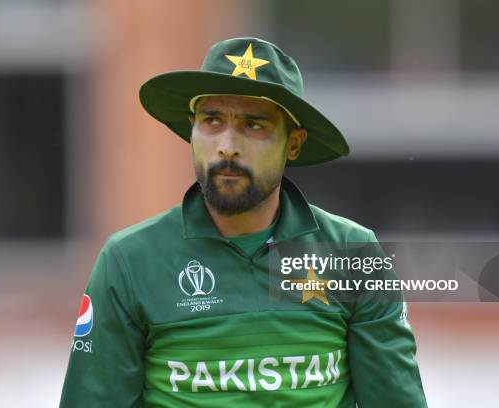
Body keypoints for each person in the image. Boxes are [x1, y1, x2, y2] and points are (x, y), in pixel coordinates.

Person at [60, 37, 427, 407]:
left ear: (294, 143)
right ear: (192, 130)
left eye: (254, 125)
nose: (227, 145)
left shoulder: (353, 251)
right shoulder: (130, 260)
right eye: (212, 121)